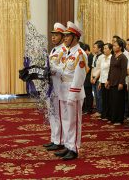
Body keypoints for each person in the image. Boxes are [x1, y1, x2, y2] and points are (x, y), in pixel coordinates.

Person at [54, 21, 87, 160]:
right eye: (65, 36)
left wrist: (72, 95)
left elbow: (79, 77)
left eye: (68, 36)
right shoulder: (68, 53)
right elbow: (64, 70)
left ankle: (74, 148)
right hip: (63, 89)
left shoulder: (80, 53)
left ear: (75, 37)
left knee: (74, 121)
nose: (65, 38)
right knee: (67, 121)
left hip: (74, 92)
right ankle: (67, 145)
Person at [43, 23, 67, 151]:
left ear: (63, 37)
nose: (53, 37)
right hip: (51, 86)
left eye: (56, 35)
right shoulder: (53, 50)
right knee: (51, 113)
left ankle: (60, 141)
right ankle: (54, 138)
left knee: (58, 114)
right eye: (52, 35)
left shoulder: (64, 50)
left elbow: (64, 70)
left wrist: (52, 69)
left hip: (59, 86)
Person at [106, 38, 128, 125]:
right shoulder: (113, 56)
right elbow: (110, 69)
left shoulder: (123, 57)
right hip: (112, 82)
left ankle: (119, 119)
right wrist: (108, 80)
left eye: (115, 46)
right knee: (112, 101)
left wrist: (121, 83)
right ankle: (113, 118)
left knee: (119, 102)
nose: (113, 47)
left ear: (120, 47)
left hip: (119, 82)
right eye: (113, 45)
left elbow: (124, 71)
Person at [98, 43, 113, 120]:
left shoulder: (112, 58)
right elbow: (102, 70)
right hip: (103, 80)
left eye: (106, 48)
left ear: (110, 49)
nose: (104, 50)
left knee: (109, 99)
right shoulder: (103, 58)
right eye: (104, 48)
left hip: (108, 81)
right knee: (104, 98)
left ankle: (108, 115)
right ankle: (104, 114)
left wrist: (108, 80)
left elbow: (111, 71)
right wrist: (100, 82)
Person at [91, 40, 104, 117]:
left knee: (99, 95)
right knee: (95, 95)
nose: (93, 48)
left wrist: (95, 78)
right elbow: (93, 67)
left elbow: (100, 69)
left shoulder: (102, 57)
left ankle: (100, 111)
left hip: (99, 78)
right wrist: (91, 77)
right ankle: (97, 110)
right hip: (93, 77)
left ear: (99, 48)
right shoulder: (95, 56)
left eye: (95, 47)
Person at [81, 44, 94, 114]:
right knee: (85, 93)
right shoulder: (86, 56)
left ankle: (89, 109)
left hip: (88, 77)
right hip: (84, 77)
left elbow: (88, 68)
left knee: (88, 93)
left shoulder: (90, 56)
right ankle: (85, 108)